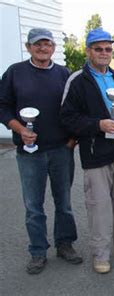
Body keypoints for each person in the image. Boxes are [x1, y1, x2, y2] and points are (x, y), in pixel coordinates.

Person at [60, 28, 114, 274]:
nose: (104, 53)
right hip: (96, 154)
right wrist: (97, 125)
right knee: (99, 207)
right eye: (99, 49)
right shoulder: (78, 80)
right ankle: (100, 254)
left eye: (108, 49)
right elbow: (66, 117)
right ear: (88, 51)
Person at [0, 28, 82, 274]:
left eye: (47, 44)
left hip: (61, 150)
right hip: (29, 152)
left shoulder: (63, 74)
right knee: (33, 205)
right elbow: (3, 107)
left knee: (64, 202)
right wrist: (19, 129)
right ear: (29, 47)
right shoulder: (15, 73)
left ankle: (65, 244)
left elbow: (75, 108)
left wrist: (72, 140)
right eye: (38, 45)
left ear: (53, 48)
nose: (43, 48)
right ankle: (37, 251)